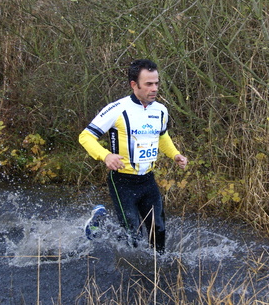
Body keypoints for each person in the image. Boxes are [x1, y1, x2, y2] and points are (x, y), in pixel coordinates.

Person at [79, 59, 188, 254]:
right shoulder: (117, 109)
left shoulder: (161, 110)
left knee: (159, 233)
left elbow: (162, 136)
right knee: (133, 236)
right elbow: (85, 136)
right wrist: (105, 156)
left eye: (156, 83)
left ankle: (156, 274)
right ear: (133, 85)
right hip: (123, 181)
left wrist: (175, 154)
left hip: (148, 181)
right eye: (148, 84)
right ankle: (98, 225)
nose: (154, 88)